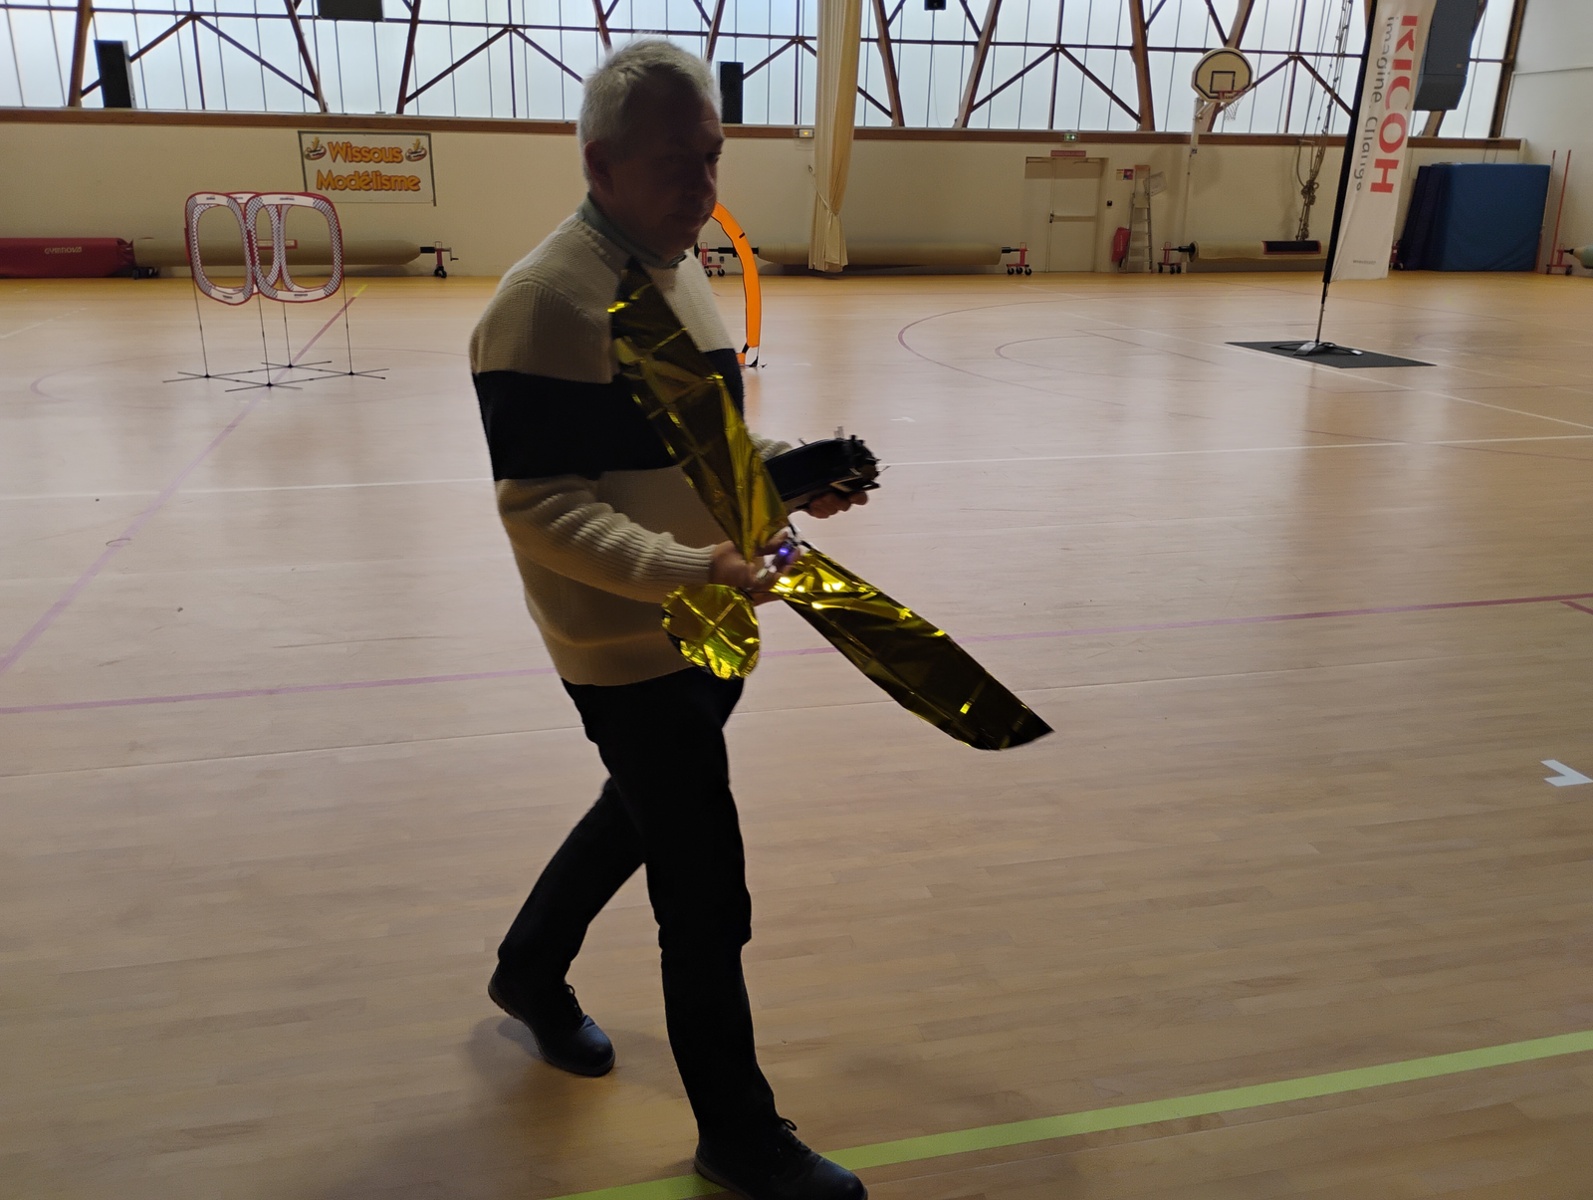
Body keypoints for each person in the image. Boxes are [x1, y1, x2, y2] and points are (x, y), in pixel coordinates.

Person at [467, 38, 868, 1200]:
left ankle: (529, 967)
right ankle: (737, 1135)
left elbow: (706, 442)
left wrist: (791, 475)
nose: (704, 188)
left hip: (706, 621)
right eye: (676, 165)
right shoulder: (546, 304)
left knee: (637, 813)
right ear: (600, 164)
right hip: (624, 649)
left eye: (713, 158)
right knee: (704, 889)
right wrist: (693, 565)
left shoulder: (673, 267)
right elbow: (541, 506)